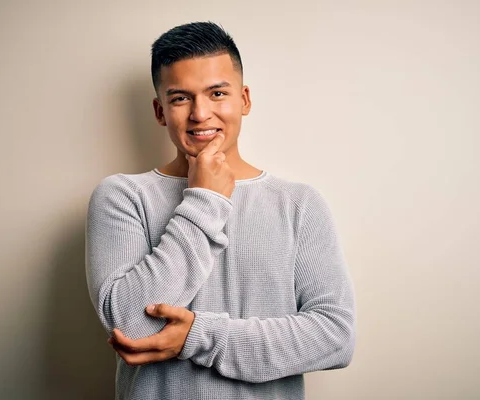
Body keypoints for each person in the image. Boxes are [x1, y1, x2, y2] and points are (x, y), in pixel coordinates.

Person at [85, 21, 356, 400]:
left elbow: (334, 337)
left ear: (244, 99)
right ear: (160, 110)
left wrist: (197, 336)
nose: (200, 113)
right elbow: (130, 325)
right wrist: (205, 199)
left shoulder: (300, 204)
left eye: (217, 93)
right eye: (180, 98)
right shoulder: (122, 196)